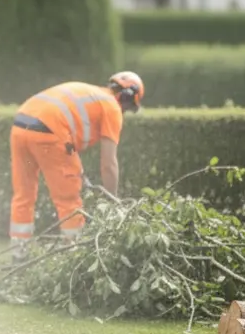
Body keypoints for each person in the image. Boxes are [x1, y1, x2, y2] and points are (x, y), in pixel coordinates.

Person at [8, 72, 145, 260]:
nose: (125, 111)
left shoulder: (92, 95)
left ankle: (18, 253)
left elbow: (68, 138)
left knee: (23, 194)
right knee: (69, 199)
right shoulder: (112, 107)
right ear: (128, 96)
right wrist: (112, 201)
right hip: (49, 131)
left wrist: (77, 170)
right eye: (129, 107)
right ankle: (74, 255)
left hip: (20, 126)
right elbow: (108, 164)